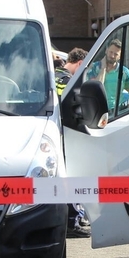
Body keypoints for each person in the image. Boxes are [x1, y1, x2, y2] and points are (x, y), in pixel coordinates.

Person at [54, 48, 91, 238]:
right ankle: (72, 222)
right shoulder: (69, 82)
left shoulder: (52, 76)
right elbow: (76, 110)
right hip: (67, 136)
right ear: (79, 64)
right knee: (72, 177)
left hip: (52, 135)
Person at [86, 39, 129, 112]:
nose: (112, 56)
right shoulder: (93, 68)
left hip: (116, 113)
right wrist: (103, 68)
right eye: (111, 52)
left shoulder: (124, 72)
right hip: (97, 111)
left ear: (120, 56)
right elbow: (95, 89)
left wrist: (127, 113)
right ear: (106, 51)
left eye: (116, 54)